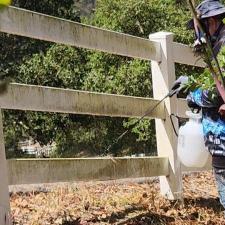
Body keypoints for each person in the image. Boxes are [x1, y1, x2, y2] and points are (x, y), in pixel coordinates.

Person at [178, 0, 225, 210]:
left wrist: (193, 95)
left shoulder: (222, 48)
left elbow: (217, 92)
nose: (198, 35)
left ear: (212, 22)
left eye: (202, 27)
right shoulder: (216, 47)